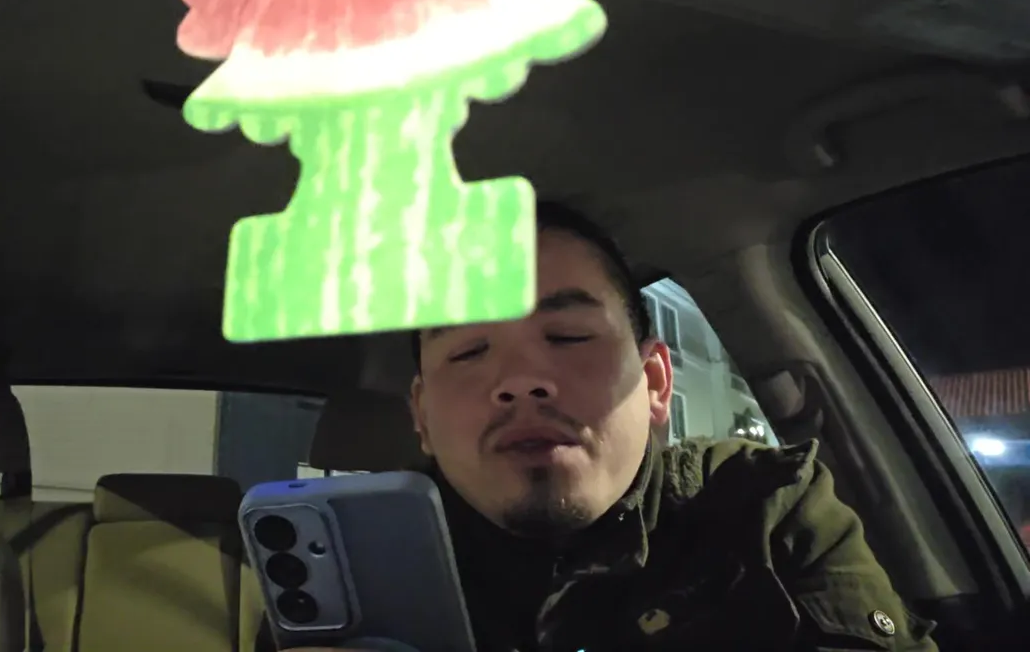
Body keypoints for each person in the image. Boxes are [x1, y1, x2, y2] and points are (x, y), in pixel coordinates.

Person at [263, 200, 939, 651]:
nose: (520, 379)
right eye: (468, 351)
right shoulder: (344, 571)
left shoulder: (764, 508)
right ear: (421, 415)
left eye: (568, 336)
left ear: (655, 383)